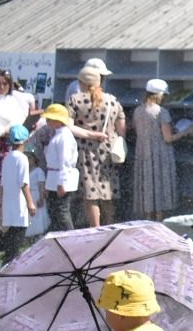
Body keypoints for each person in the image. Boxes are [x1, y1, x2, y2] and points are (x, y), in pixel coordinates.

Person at [67, 65, 126, 227]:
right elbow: (122, 129)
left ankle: (96, 228)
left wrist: (91, 135)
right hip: (108, 150)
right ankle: (110, 226)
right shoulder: (112, 101)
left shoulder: (75, 100)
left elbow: (69, 126)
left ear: (82, 83)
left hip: (85, 151)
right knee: (108, 191)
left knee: (90, 193)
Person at [131, 78, 181, 220]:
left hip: (143, 155)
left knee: (148, 190)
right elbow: (168, 138)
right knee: (159, 192)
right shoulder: (161, 112)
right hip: (160, 155)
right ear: (158, 95)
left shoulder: (138, 111)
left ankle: (148, 223)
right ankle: (159, 224)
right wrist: (186, 131)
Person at [0, 124, 36, 263]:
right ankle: (9, 270)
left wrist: (1, 203)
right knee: (16, 244)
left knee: (10, 243)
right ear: (25, 140)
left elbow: (2, 184)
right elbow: (24, 183)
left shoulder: (7, 158)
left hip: (8, 205)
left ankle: (5, 266)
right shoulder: (22, 158)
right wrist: (30, 202)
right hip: (19, 206)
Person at [37, 103, 79, 233]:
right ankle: (56, 235)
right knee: (55, 210)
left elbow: (64, 162)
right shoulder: (58, 135)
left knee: (62, 211)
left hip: (61, 179)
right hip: (54, 178)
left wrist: (62, 183)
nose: (48, 122)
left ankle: (70, 236)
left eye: (50, 119)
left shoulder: (64, 137)